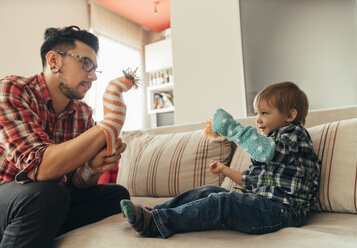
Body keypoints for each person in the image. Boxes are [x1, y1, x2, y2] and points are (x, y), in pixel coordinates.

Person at [120, 81, 321, 238]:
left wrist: (232, 129)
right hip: (263, 203)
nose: (258, 119)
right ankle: (150, 213)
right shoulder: (269, 143)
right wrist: (225, 170)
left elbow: (267, 152)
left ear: (290, 115)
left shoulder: (294, 135)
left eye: (265, 113)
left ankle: (157, 223)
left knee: (222, 202)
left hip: (283, 211)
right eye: (257, 113)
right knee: (208, 190)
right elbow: (250, 181)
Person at [0, 26, 131, 247]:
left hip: (51, 197)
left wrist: (92, 169)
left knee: (117, 195)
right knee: (47, 195)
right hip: (8, 193)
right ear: (54, 61)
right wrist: (108, 125)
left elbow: (78, 182)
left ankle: (39, 226)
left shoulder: (83, 113)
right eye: (85, 63)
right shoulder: (13, 89)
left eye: (95, 69)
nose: (92, 77)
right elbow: (40, 168)